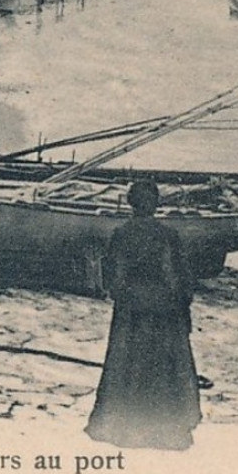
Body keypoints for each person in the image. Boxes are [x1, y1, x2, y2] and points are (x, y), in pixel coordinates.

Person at [86, 180, 202, 450]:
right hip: (164, 311)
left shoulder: (122, 234)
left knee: (127, 363)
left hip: (132, 311)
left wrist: (127, 297)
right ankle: (164, 428)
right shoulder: (168, 235)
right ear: (156, 204)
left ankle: (123, 426)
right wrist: (182, 308)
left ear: (130, 203)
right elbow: (180, 278)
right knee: (163, 367)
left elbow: (112, 278)